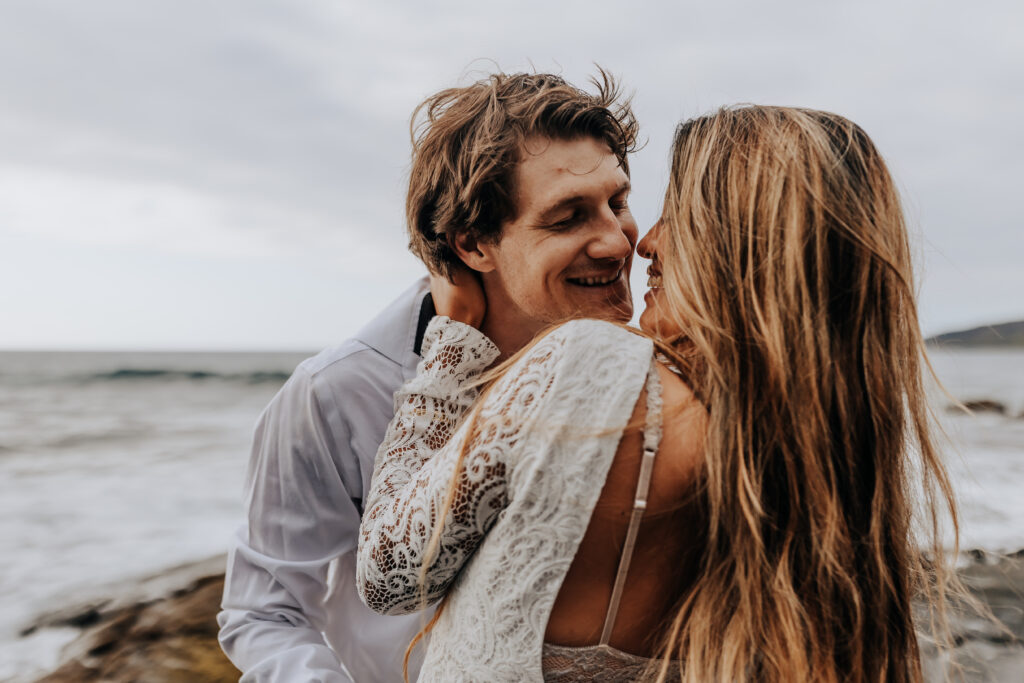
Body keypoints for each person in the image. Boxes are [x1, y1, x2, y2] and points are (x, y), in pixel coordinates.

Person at [356, 106, 963, 682]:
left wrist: (453, 346)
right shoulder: (821, 452)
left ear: (744, 244)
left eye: (674, 214)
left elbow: (388, 578)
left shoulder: (587, 364)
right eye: (570, 216)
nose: (641, 243)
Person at [217, 69, 640, 681]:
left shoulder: (638, 359)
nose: (618, 242)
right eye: (569, 217)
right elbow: (264, 612)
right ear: (473, 245)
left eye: (618, 202)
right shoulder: (337, 392)